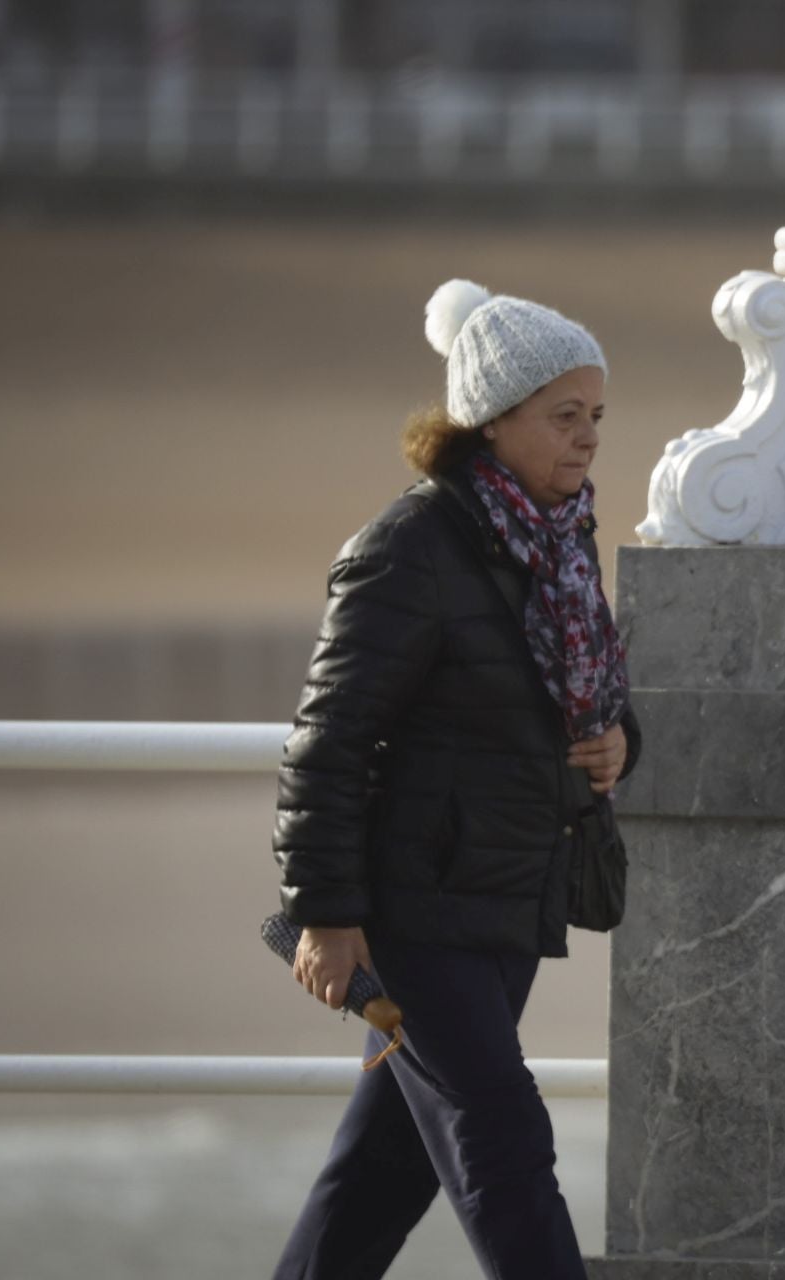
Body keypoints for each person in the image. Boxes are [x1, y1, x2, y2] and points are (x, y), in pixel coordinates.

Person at [271, 279, 640, 1280]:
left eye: (596, 415)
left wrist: (618, 745)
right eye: (564, 416)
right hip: (414, 918)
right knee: (504, 1143)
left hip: (508, 902)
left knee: (383, 1169)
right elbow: (329, 742)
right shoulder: (410, 549)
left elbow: (585, 699)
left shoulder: (556, 541)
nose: (588, 437)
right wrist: (327, 916)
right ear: (492, 418)